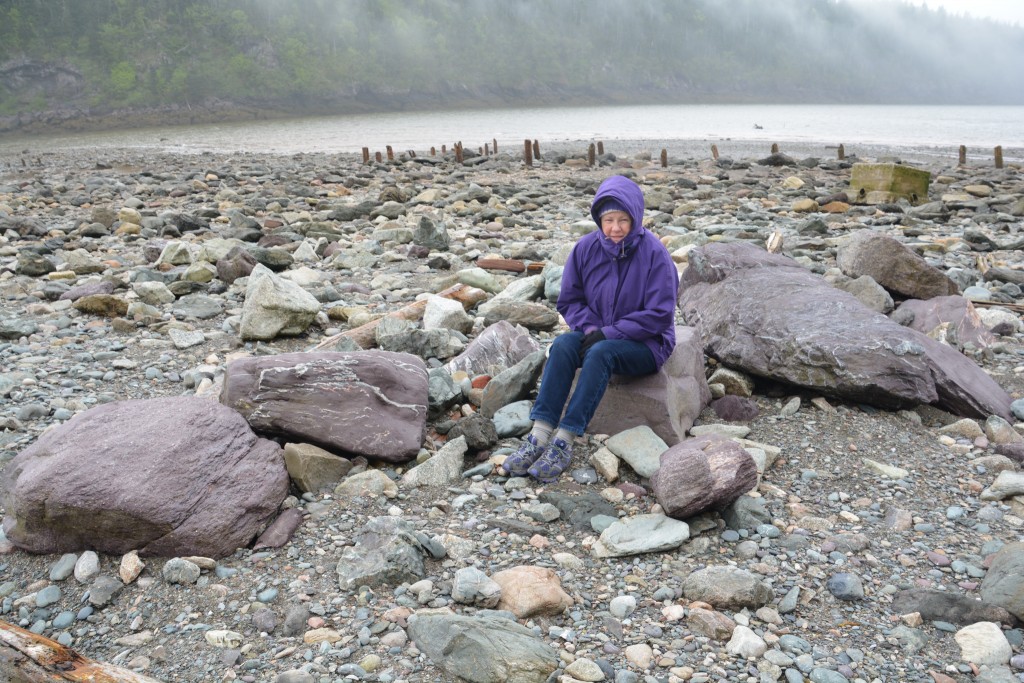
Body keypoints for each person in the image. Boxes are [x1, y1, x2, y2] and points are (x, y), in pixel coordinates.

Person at [504, 174, 679, 483]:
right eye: (608, 220)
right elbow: (569, 301)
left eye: (623, 220)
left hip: (648, 344)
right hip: (596, 331)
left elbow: (660, 315)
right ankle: (539, 435)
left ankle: (564, 442)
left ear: (636, 218)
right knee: (562, 346)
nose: (615, 228)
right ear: (599, 219)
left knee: (600, 353)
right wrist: (590, 328)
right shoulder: (585, 249)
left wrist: (608, 334)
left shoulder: (655, 255)